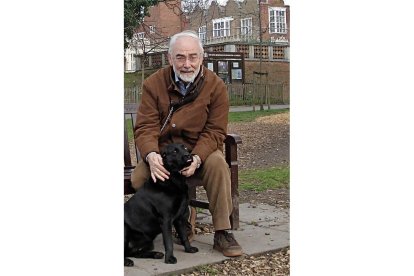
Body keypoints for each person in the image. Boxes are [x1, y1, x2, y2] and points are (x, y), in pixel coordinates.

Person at [131, 30, 243, 257]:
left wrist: (198, 157)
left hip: (201, 148)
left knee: (219, 166)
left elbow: (215, 130)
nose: (187, 64)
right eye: (180, 57)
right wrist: (151, 155)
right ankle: (179, 218)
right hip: (165, 152)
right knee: (139, 177)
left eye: (193, 57)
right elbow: (145, 127)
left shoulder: (216, 86)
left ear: (202, 58)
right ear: (170, 58)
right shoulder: (153, 84)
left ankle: (222, 231)